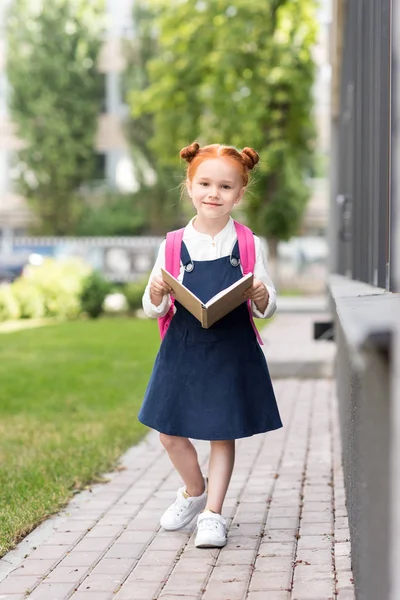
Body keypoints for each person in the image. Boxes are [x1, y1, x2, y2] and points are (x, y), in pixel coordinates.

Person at [139, 142, 282, 549]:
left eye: (224, 186)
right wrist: (155, 292)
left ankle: (212, 514)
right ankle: (194, 489)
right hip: (182, 346)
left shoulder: (250, 243)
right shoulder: (170, 244)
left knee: (222, 433)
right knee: (169, 433)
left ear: (239, 193)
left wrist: (259, 295)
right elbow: (153, 308)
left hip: (230, 348)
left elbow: (269, 306)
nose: (213, 193)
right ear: (189, 186)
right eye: (204, 183)